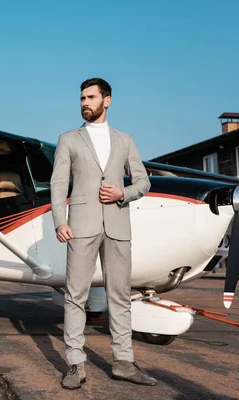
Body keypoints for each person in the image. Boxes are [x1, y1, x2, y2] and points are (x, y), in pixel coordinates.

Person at [50, 78, 156, 390]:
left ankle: (123, 362)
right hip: (80, 225)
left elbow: (143, 182)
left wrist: (122, 193)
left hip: (118, 225)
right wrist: (60, 220)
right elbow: (59, 184)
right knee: (75, 295)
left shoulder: (125, 140)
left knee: (120, 296)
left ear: (106, 101)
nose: (85, 102)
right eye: (82, 97)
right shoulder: (68, 139)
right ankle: (75, 364)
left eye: (91, 97)